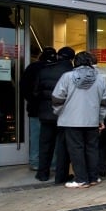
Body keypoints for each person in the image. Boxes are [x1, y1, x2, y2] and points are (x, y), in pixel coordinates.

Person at [52, 51, 106, 188]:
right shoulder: (100, 79)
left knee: (76, 150)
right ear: (90, 62)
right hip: (92, 120)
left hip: (71, 120)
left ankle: (81, 179)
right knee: (92, 149)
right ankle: (93, 177)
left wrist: (60, 113)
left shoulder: (67, 77)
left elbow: (57, 98)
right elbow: (104, 103)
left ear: (74, 62)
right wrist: (100, 119)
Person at [34, 46, 74, 184]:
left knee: (45, 144)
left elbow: (35, 92)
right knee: (63, 147)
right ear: (72, 58)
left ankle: (42, 173)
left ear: (58, 56)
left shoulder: (44, 70)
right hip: (64, 115)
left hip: (46, 113)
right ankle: (60, 176)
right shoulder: (72, 73)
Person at [20, 47, 57, 170]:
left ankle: (35, 162)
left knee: (36, 137)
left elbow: (24, 87)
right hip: (54, 110)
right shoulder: (57, 69)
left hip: (35, 109)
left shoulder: (32, 68)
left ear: (41, 56)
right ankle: (52, 163)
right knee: (53, 138)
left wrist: (32, 100)